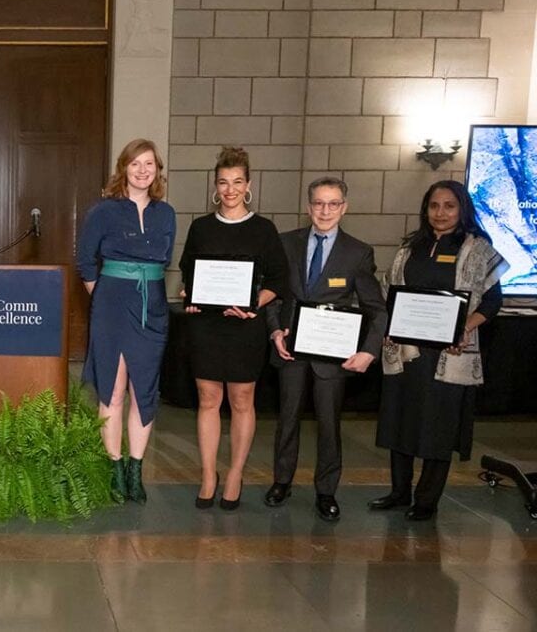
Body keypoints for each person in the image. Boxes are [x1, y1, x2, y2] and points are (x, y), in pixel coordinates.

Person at [371, 180, 505, 521]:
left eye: (449, 206)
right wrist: (389, 327)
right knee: (401, 421)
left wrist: (465, 327)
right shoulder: (410, 247)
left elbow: (492, 301)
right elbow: (391, 293)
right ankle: (399, 492)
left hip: (449, 354)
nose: (440, 212)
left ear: (462, 209)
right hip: (407, 351)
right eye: (434, 205)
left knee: (438, 426)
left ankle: (426, 500)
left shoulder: (477, 248)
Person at [263, 177, 388, 521]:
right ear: (308, 206)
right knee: (286, 419)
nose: (325, 210)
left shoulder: (357, 252)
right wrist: (274, 331)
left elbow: (376, 308)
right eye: (319, 203)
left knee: (329, 424)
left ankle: (326, 491)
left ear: (344, 208)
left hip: (333, 353)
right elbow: (272, 294)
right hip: (290, 347)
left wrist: (369, 351)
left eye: (333, 204)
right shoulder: (285, 243)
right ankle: (281, 482)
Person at [179, 146, 288, 511]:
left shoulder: (264, 229)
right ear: (215, 185)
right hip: (206, 326)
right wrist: (189, 294)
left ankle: (236, 473)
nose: (230, 190)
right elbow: (188, 275)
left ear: (248, 185)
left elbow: (278, 281)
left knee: (242, 401)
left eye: (237, 182)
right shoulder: (200, 227)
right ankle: (208, 474)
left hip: (246, 328)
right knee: (208, 399)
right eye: (223, 182)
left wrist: (251, 303)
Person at [76, 139, 176, 504]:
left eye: (149, 164)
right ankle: (114, 469)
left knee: (144, 391)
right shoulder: (102, 212)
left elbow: (165, 260)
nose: (143, 170)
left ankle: (136, 469)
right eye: (136, 163)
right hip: (112, 307)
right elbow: (86, 262)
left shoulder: (166, 214)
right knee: (113, 391)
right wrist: (104, 298)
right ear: (124, 168)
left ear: (157, 171)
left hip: (153, 307)